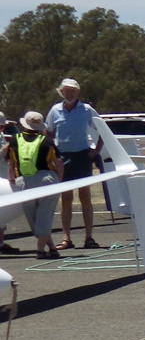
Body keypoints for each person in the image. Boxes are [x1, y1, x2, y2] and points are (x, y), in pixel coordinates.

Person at [45, 78, 101, 250]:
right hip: (63, 157)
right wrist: (53, 153)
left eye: (73, 91)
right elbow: (48, 132)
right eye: (66, 91)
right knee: (66, 197)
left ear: (78, 93)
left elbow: (103, 130)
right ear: (61, 92)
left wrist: (96, 150)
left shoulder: (86, 110)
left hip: (82, 156)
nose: (70, 94)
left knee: (85, 196)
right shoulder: (55, 110)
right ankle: (66, 238)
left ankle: (89, 238)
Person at [5, 111, 63, 259]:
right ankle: (40, 250)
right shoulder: (47, 141)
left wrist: (11, 179)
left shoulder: (14, 139)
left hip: (23, 181)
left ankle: (51, 248)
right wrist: (60, 181)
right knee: (45, 215)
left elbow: (11, 163)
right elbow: (58, 162)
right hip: (46, 179)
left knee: (33, 218)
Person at [0, 112, 24, 256]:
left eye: (3, 126)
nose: (2, 129)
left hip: (3, 177)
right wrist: (5, 149)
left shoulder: (1, 136)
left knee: (3, 214)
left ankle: (1, 243)